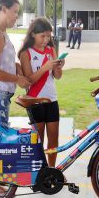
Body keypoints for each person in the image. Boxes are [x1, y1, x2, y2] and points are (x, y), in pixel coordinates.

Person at [18, 17, 63, 167]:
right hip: (35, 100)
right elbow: (29, 80)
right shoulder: (26, 53)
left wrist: (58, 67)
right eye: (42, 36)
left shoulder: (51, 50)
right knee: (38, 140)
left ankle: (51, 169)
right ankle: (39, 170)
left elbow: (57, 76)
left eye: (48, 36)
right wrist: (45, 67)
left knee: (53, 139)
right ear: (33, 34)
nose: (46, 39)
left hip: (52, 99)